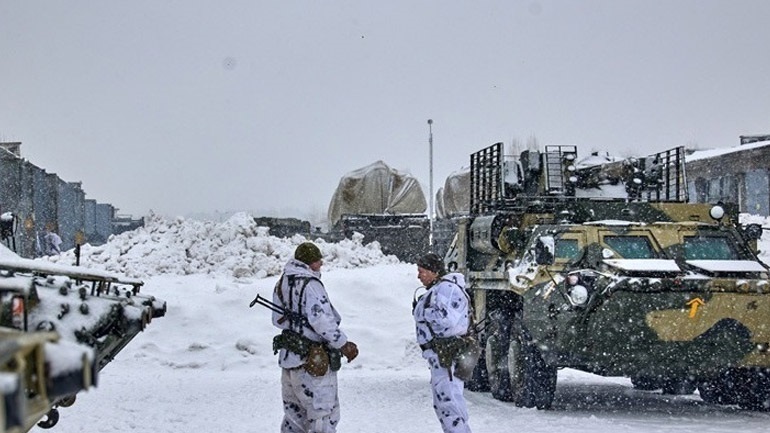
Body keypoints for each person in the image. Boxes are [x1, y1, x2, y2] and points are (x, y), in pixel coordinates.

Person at [272, 241, 359, 433]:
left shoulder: (282, 283)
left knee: (294, 418)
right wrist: (343, 344)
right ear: (309, 263)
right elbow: (322, 321)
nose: (321, 264)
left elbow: (277, 321)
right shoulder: (311, 285)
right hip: (312, 362)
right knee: (322, 415)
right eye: (318, 261)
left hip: (289, 361)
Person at [412, 252, 473, 433]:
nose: (419, 275)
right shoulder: (438, 289)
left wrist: (423, 312)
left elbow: (448, 322)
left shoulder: (447, 289)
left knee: (449, 403)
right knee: (444, 403)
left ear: (435, 271)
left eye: (422, 271)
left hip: (446, 354)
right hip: (440, 355)